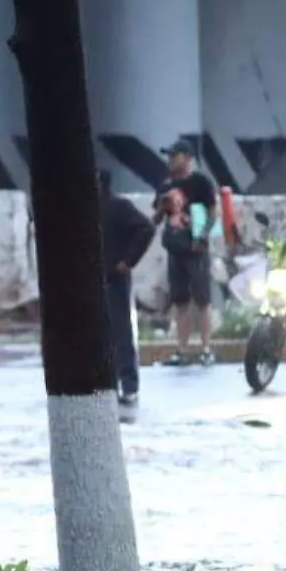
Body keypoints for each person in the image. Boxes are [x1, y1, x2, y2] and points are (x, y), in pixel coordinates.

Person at [151, 139, 218, 366]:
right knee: (180, 301)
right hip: (175, 249)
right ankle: (182, 350)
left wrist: (202, 236)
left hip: (195, 248)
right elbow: (157, 219)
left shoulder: (200, 182)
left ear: (187, 158)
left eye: (174, 155)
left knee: (203, 299)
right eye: (169, 156)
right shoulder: (165, 186)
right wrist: (162, 206)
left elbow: (212, 212)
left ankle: (206, 348)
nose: (170, 160)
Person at [99, 169, 155, 406]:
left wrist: (127, 260)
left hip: (114, 279)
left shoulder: (118, 207)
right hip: (93, 280)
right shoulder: (85, 209)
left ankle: (129, 384)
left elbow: (146, 228)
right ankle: (105, 383)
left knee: (121, 332)